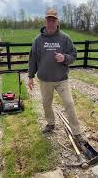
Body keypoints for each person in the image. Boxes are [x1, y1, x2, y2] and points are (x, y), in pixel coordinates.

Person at [27, 8, 86, 144]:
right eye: (49, 19)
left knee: (69, 103)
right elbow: (33, 59)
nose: (51, 22)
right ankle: (51, 124)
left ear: (57, 21)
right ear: (45, 21)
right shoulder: (38, 40)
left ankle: (77, 133)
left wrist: (64, 58)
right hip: (45, 80)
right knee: (46, 104)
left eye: (53, 19)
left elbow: (74, 56)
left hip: (61, 80)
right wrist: (30, 76)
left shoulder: (65, 38)